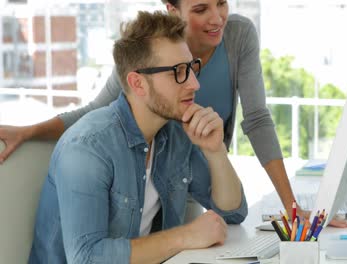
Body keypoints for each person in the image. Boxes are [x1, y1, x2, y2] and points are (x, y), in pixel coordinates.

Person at [0, 0, 347, 226]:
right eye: (200, 9)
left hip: (197, 168)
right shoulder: (148, 54)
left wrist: (291, 207)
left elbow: (256, 119)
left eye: (222, 3)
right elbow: (98, 109)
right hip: (151, 169)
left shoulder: (239, 35)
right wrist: (28, 131)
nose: (217, 19)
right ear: (173, 9)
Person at [28, 11, 247, 264]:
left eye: (191, 68)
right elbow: (87, 258)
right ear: (138, 84)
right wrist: (184, 236)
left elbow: (233, 213)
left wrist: (215, 150)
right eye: (178, 71)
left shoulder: (176, 132)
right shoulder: (88, 146)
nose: (195, 83)